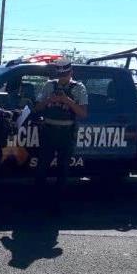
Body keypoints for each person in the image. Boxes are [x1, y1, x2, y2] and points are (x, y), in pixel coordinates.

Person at [34, 59, 88, 192]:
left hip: (66, 132)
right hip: (48, 131)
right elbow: (37, 108)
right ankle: (39, 197)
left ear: (71, 73)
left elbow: (83, 113)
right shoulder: (49, 85)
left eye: (65, 75)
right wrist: (49, 100)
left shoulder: (78, 88)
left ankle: (57, 202)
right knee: (42, 166)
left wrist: (66, 100)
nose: (62, 78)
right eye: (60, 75)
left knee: (63, 168)